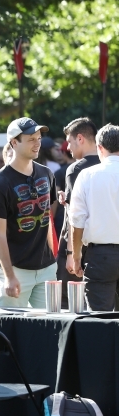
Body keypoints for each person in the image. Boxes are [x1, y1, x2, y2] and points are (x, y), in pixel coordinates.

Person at [0, 117, 56, 308]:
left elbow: (48, 218)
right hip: (16, 270)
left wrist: (53, 259)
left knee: (50, 329)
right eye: (31, 139)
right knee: (5, 330)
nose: (37, 143)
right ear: (14, 142)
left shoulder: (47, 174)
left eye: (39, 138)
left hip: (46, 268)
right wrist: (9, 276)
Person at [68, 124, 119, 311]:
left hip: (100, 256)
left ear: (99, 147)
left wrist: (76, 256)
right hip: (101, 253)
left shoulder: (87, 175)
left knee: (99, 320)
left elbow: (77, 220)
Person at [58, 119, 99, 287]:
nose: (68, 148)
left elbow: (73, 215)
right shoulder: (107, 166)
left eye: (69, 142)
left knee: (69, 304)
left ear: (80, 138)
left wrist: (70, 253)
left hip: (78, 248)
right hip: (104, 249)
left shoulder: (75, 169)